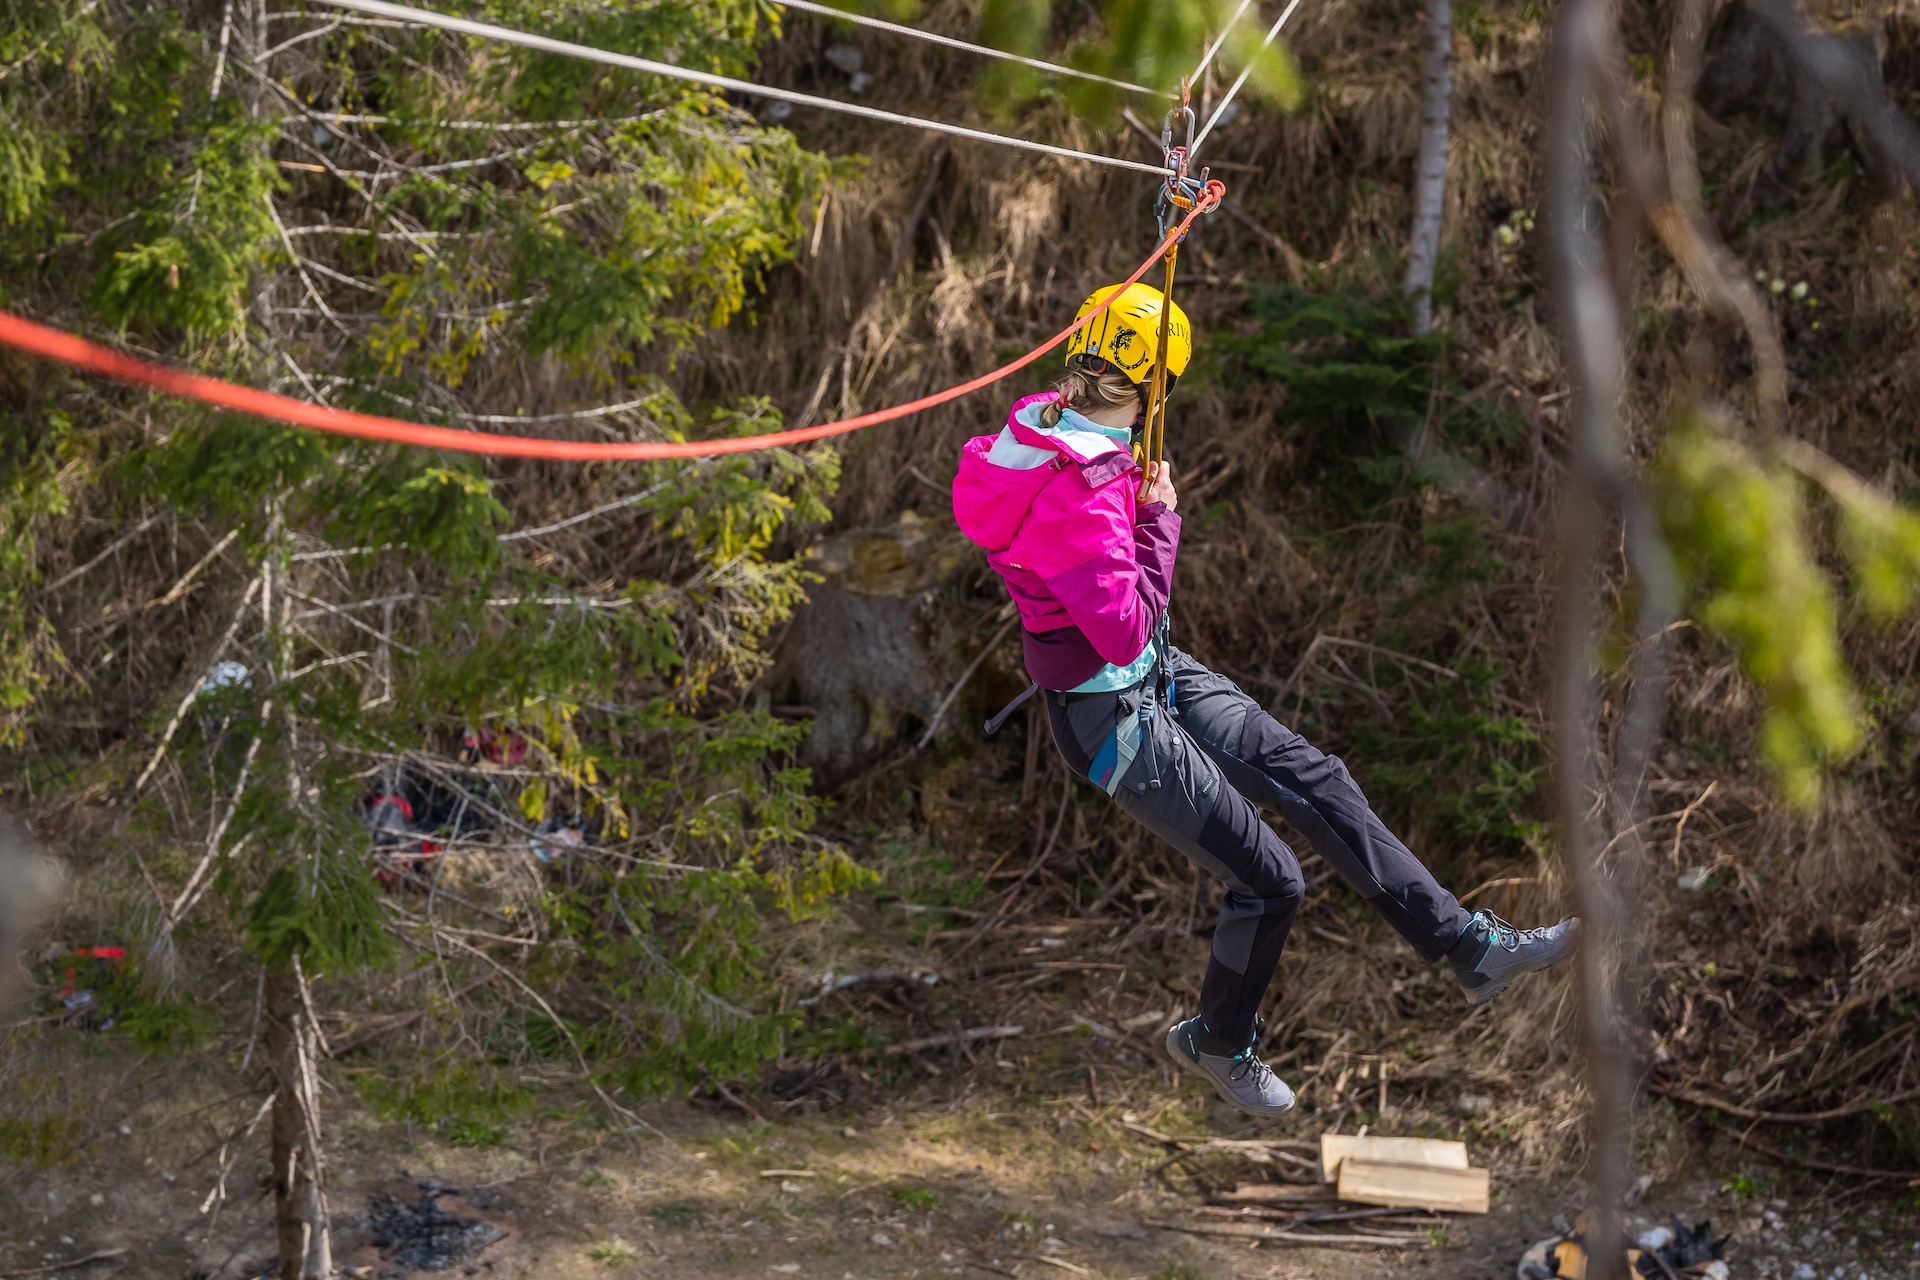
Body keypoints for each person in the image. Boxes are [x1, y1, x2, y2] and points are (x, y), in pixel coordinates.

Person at [950, 282, 1579, 1118]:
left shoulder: (1042, 430)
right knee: (1272, 880)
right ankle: (1218, 1036)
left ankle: (1467, 947)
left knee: (1314, 775)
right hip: (1112, 717)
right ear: (1153, 390)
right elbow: (1126, 631)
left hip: (1154, 681)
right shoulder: (1085, 498)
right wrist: (1158, 522)